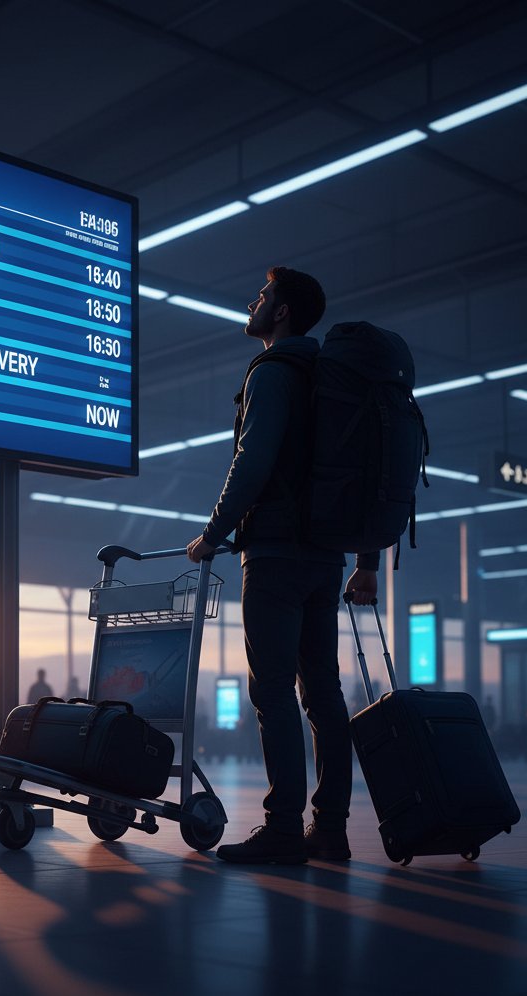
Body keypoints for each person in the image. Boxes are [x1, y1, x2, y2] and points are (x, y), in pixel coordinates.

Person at [187, 266, 379, 866]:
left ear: (283, 311)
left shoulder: (273, 372)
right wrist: (366, 560)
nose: (255, 301)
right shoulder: (331, 378)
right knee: (322, 692)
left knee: (272, 690)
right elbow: (365, 473)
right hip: (326, 557)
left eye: (264, 295)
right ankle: (331, 828)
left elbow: (254, 458)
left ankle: (283, 828)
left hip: (274, 553)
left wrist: (213, 533)